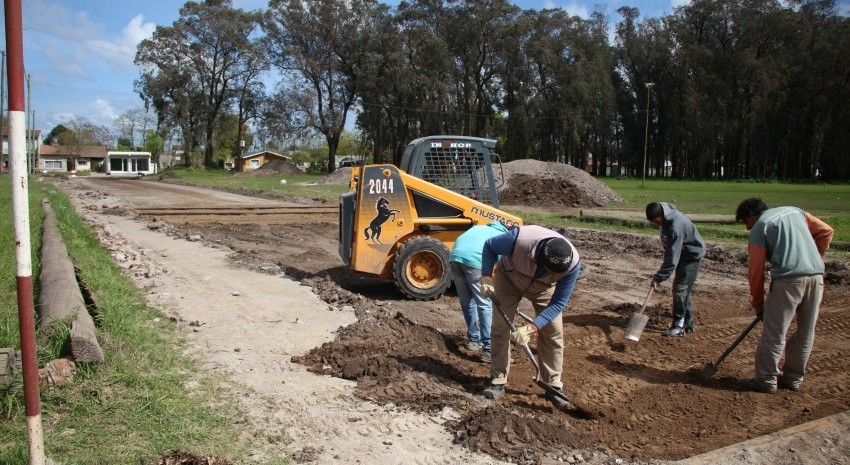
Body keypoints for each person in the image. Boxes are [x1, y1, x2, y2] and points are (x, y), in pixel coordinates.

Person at [735, 198, 833, 394]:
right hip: (816, 277)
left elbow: (756, 271)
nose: (747, 228)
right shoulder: (796, 211)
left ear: (751, 216)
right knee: (806, 331)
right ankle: (793, 379)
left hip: (788, 282)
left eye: (746, 223)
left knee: (774, 333)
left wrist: (758, 304)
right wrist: (812, 259)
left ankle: (765, 381)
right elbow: (826, 231)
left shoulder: (760, 227)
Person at [477, 225, 581, 410]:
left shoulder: (571, 265)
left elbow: (558, 304)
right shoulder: (519, 240)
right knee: (500, 328)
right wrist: (486, 277)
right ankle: (498, 378)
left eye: (555, 273)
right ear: (540, 257)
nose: (552, 273)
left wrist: (532, 327)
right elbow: (489, 246)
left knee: (553, 332)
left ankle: (553, 383)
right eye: (548, 269)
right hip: (509, 278)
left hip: (544, 288)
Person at [449, 221, 510, 363]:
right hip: (475, 262)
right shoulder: (501, 235)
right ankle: (489, 350)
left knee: (467, 302)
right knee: (485, 304)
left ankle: (473, 340)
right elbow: (502, 266)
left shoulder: (478, 228)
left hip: (455, 259)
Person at [645, 202, 707, 337]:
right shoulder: (666, 220)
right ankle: (688, 323)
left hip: (691, 256)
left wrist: (659, 277)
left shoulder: (675, 226)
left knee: (680, 289)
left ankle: (679, 325)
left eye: (657, 221)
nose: (657, 224)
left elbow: (672, 258)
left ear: (662, 215)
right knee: (683, 289)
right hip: (683, 254)